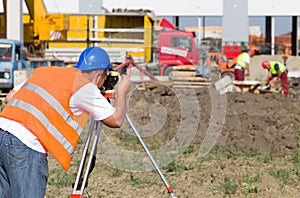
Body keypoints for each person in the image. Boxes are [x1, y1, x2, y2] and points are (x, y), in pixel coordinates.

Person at [0, 46, 131, 197]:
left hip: (3, 130)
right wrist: (121, 91)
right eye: (105, 75)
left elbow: (10, 97)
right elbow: (116, 120)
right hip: (25, 144)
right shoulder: (85, 87)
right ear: (98, 75)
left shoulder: (48, 71)